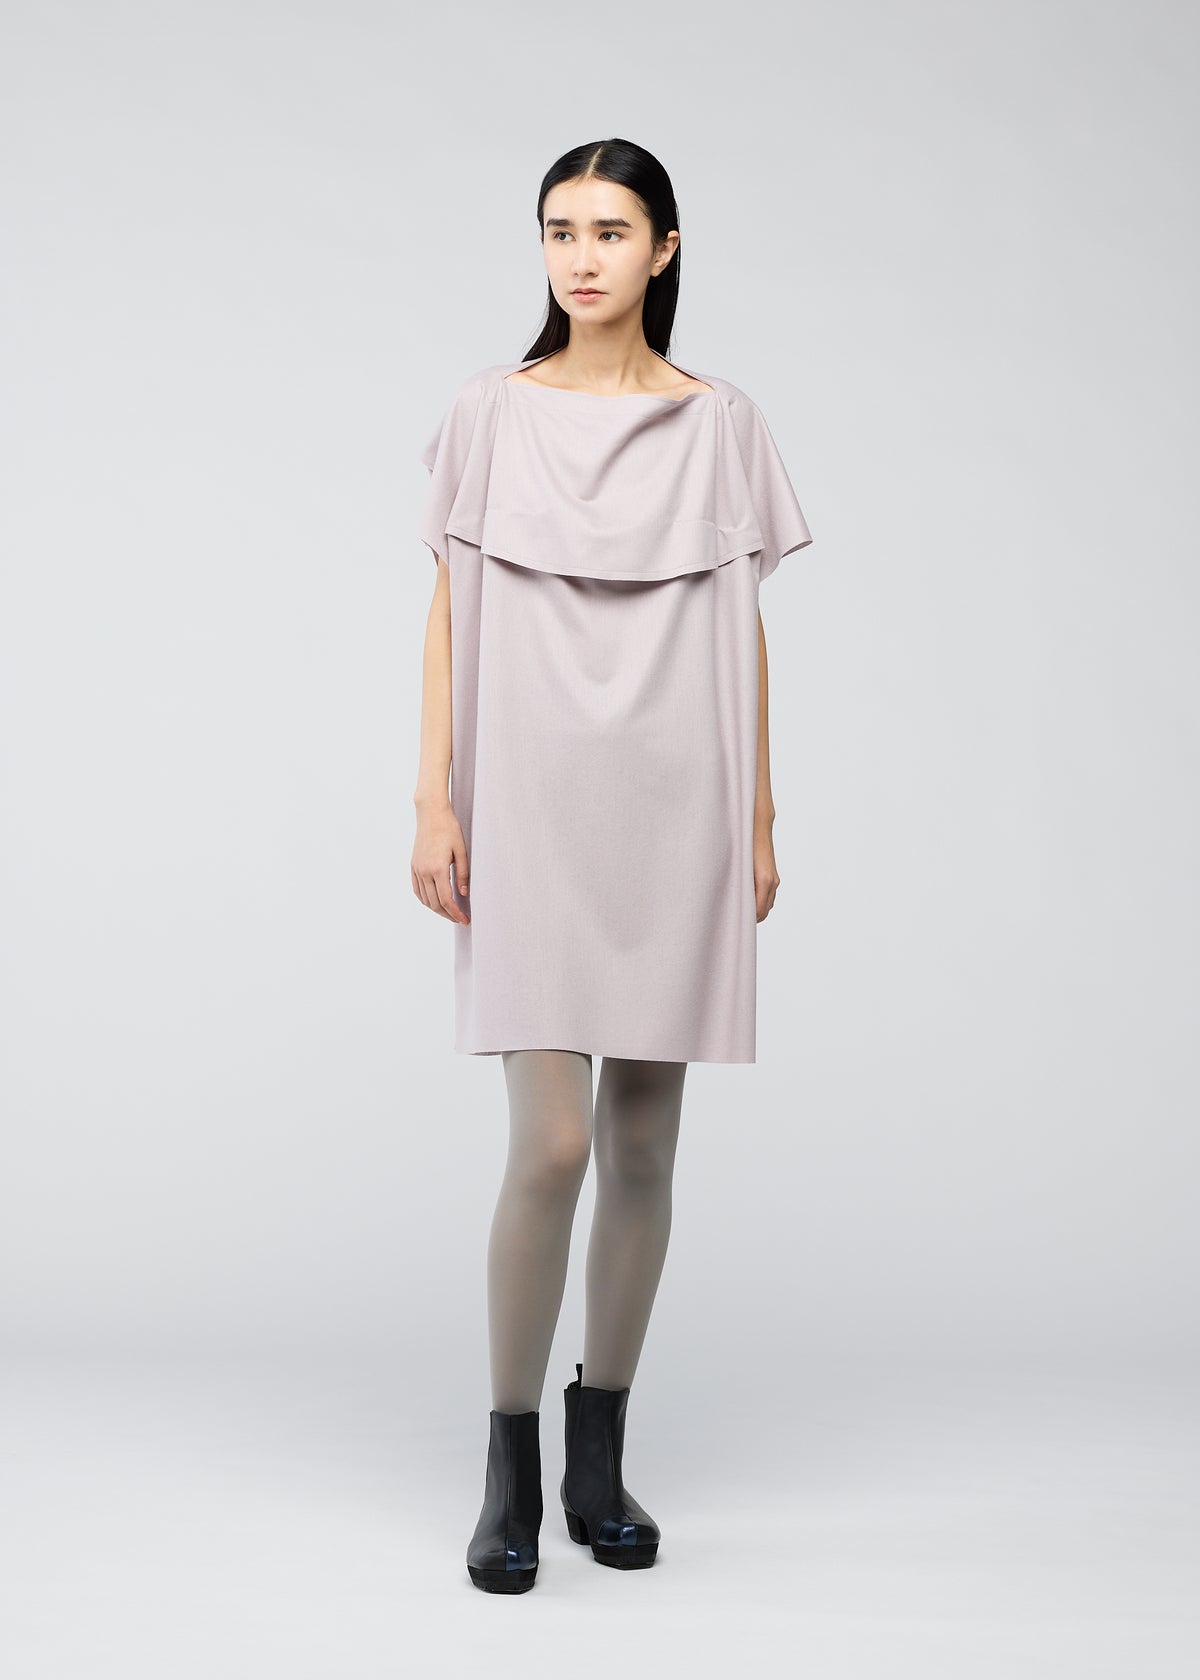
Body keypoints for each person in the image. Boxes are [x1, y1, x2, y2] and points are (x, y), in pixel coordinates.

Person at [410, 137, 813, 1593]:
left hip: (676, 805)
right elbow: (449, 609)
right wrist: (432, 800)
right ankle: (509, 1463)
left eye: (611, 230)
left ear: (666, 249)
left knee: (643, 1142)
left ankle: (601, 1457)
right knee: (554, 1144)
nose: (581, 257)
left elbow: (743, 625)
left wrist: (758, 815)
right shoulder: (490, 411)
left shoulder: (723, 424)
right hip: (527, 803)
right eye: (559, 230)